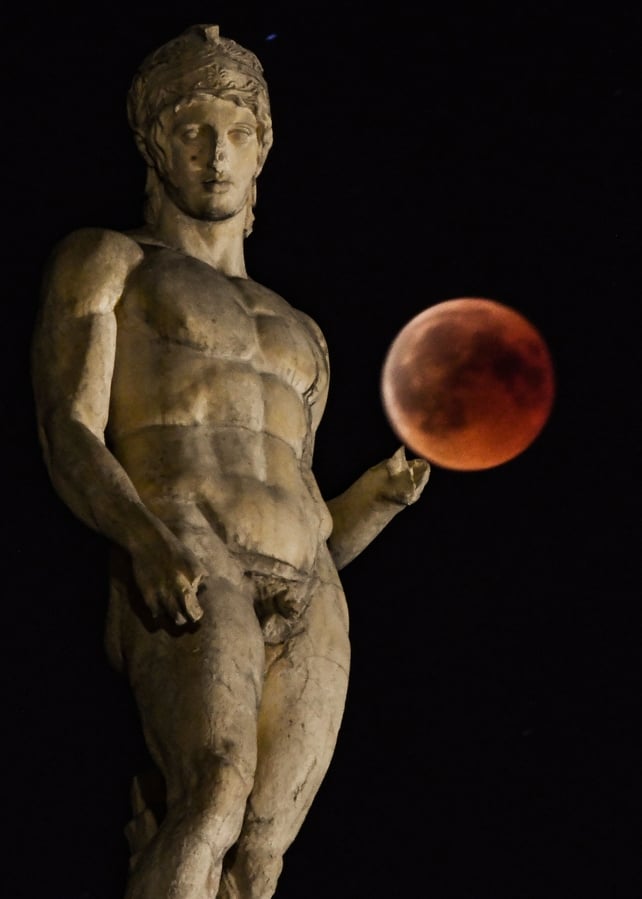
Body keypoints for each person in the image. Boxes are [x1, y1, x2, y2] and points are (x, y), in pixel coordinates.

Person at [32, 24, 429, 899]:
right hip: (186, 543)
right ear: (154, 143)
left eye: (239, 134)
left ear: (264, 152)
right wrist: (141, 536)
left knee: (261, 857)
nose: (217, 156)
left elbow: (308, 510)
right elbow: (69, 430)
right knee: (210, 795)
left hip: (309, 584)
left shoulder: (302, 330)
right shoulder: (109, 260)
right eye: (193, 131)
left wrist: (376, 499)